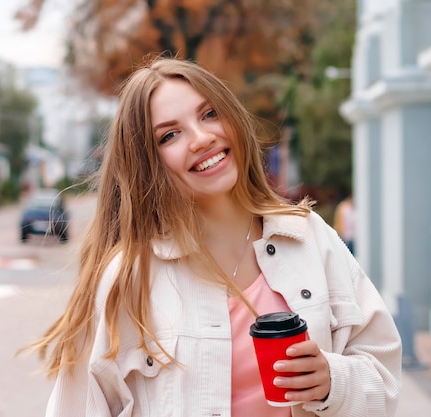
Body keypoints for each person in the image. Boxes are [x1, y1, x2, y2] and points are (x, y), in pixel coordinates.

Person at [28, 57, 402, 417]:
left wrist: (331, 382)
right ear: (147, 162)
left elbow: (384, 381)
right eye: (170, 135)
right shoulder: (128, 278)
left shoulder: (310, 239)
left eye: (210, 114)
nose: (202, 138)